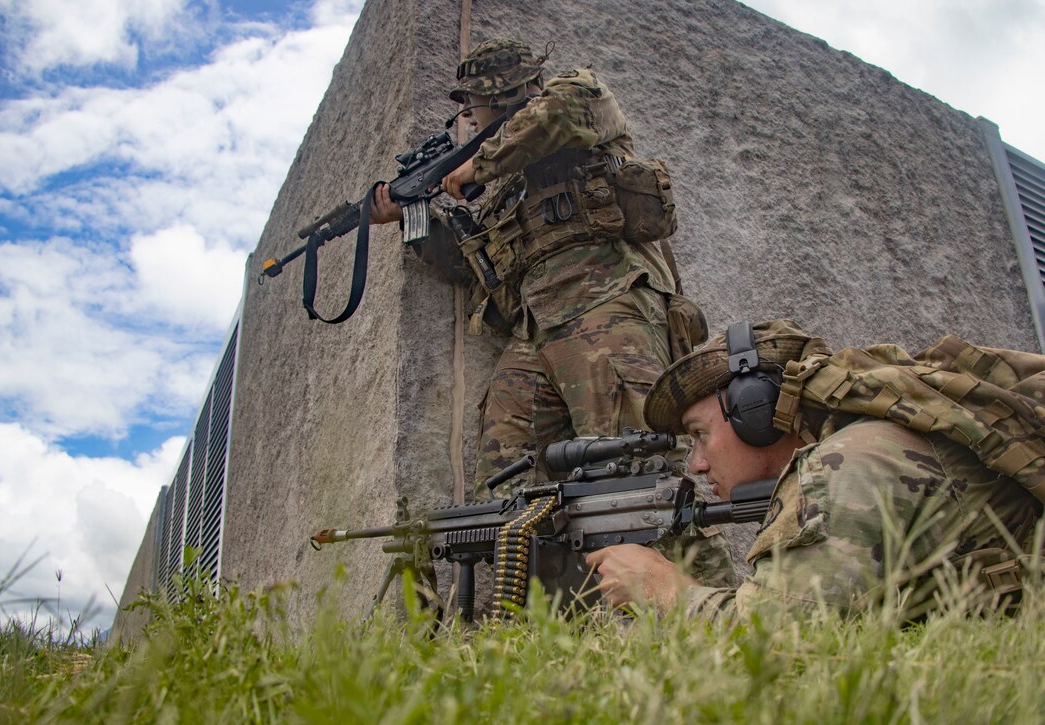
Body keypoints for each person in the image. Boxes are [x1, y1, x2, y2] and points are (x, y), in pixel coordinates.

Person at [370, 38, 707, 500]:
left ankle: (679, 571)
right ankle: (530, 572)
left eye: (473, 105)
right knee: (506, 487)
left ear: (500, 95)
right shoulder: (504, 183)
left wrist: (474, 165)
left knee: (638, 476)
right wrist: (410, 219)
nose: (469, 117)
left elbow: (554, 115)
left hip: (607, 305)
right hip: (532, 333)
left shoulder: (578, 98)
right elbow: (474, 265)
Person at [586, 319, 1045, 619]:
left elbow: (775, 642)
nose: (698, 465)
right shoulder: (876, 440)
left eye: (700, 434)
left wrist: (662, 588)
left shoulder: (849, 462)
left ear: (757, 411)